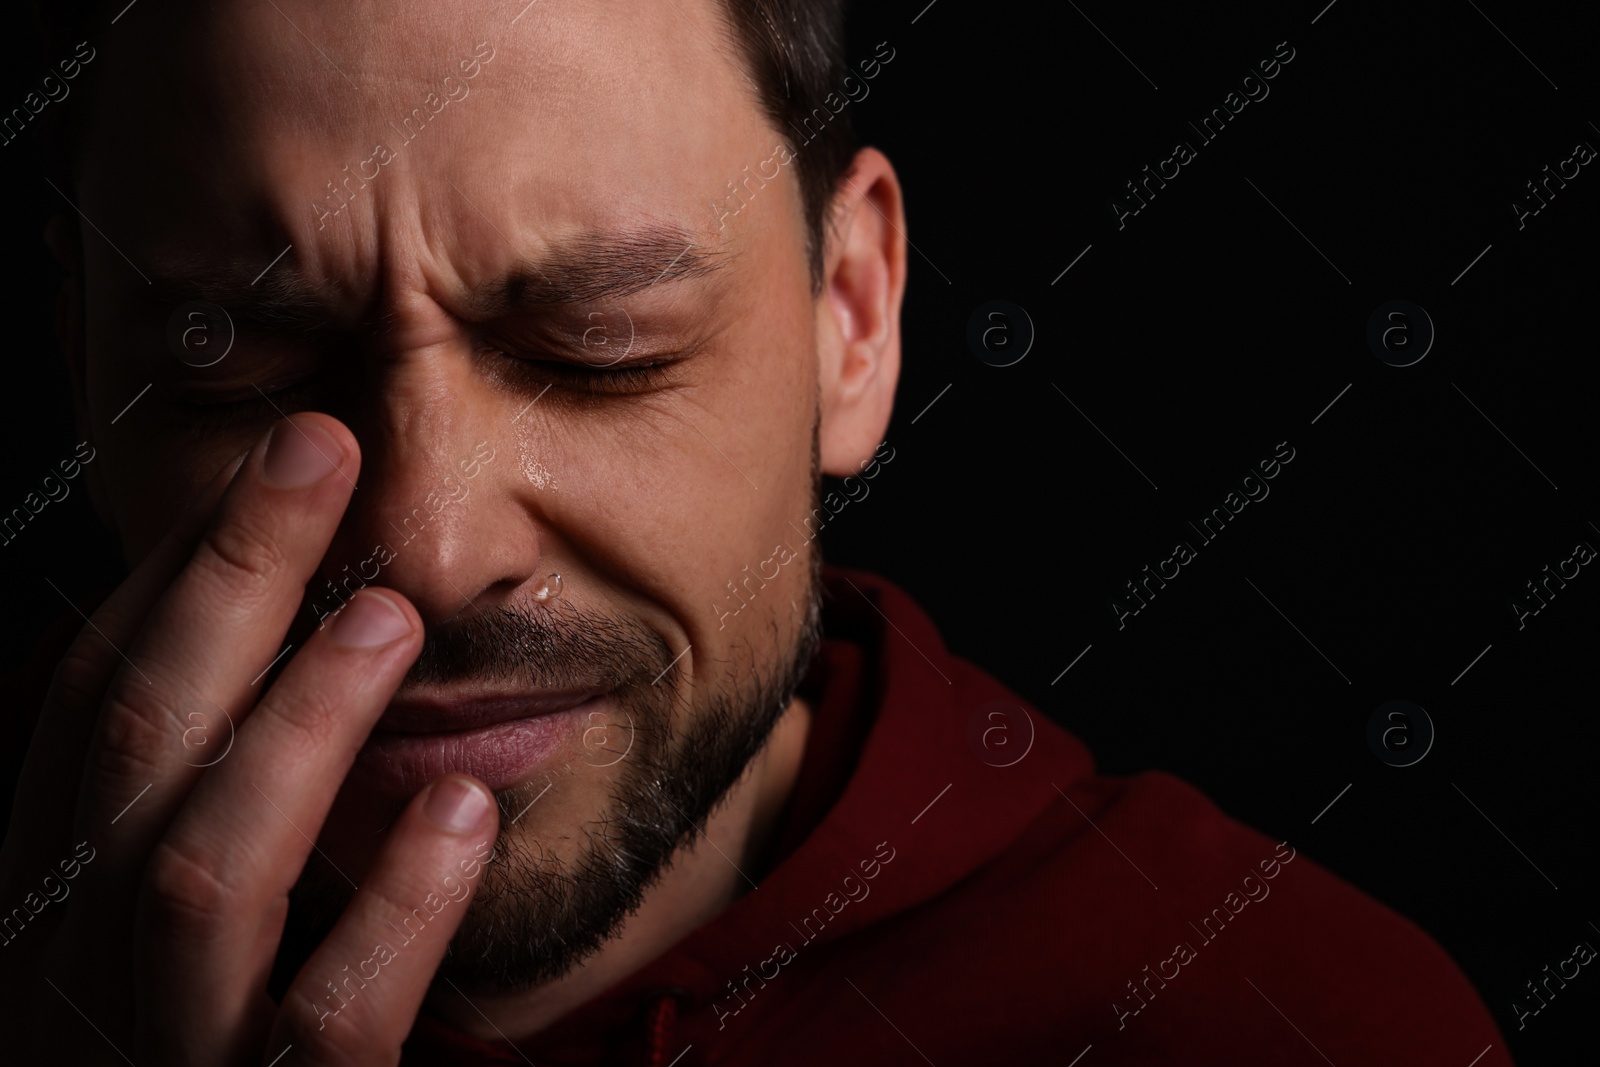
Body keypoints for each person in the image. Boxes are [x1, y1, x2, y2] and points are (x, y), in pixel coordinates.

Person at [2, 0, 1513, 1063]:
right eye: (242, 373)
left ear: (851, 320)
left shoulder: (1281, 1022)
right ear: (82, 373)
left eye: (603, 346)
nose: (431, 545)